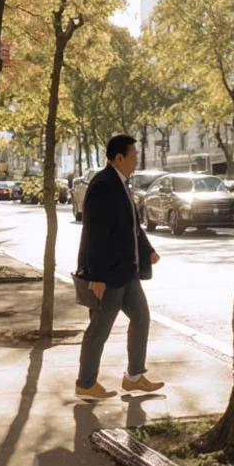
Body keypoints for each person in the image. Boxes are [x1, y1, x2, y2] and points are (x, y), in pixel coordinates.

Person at [74, 134, 164, 401]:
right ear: (118, 157)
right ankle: (86, 383)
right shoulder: (103, 184)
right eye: (133, 155)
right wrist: (97, 276)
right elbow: (95, 233)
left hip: (127, 272)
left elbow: (132, 226)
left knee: (142, 318)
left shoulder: (122, 183)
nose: (137, 159)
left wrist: (148, 251)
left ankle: (134, 377)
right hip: (108, 275)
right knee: (99, 330)